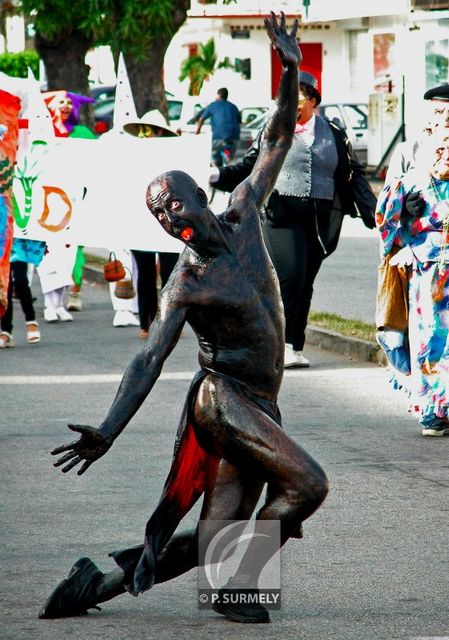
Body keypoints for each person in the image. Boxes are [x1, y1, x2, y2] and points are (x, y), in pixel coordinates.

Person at [38, 13, 328, 625]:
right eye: (158, 216)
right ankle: (240, 582)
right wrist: (109, 430)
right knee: (306, 484)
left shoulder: (246, 210)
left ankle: (95, 585)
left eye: (172, 203)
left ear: (199, 194)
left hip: (258, 401)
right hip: (223, 401)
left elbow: (276, 139)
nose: (168, 217)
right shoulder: (187, 283)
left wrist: (291, 69)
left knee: (208, 540)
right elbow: (149, 358)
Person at [211, 71, 376, 368]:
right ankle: (280, 345)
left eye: (297, 100)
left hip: (319, 217)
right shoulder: (274, 130)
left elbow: (353, 174)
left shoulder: (334, 133)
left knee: (306, 282)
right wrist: (218, 175)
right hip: (280, 214)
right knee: (291, 276)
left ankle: (294, 344)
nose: (290, 106)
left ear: (312, 101)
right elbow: (250, 166)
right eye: (284, 100)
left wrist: (374, 210)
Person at [376, 129, 449, 436]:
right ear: (427, 153)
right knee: (430, 339)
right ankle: (433, 411)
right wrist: (403, 218)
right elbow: (384, 219)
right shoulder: (410, 182)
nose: (448, 156)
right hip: (425, 272)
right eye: (440, 150)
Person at [376, 84, 449, 372]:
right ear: (428, 115)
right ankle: (427, 396)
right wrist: (404, 209)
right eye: (439, 111)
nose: (446, 118)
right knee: (422, 326)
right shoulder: (409, 150)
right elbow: (387, 203)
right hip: (416, 254)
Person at [123, 110, 181, 337]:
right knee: (145, 272)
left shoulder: (173, 157)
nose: (147, 135)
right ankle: (146, 323)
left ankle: (170, 321)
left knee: (170, 272)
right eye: (143, 131)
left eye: (151, 131)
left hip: (168, 220)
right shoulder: (131, 157)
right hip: (140, 221)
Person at [40, 90, 96, 319]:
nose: (64, 106)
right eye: (59, 102)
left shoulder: (82, 133)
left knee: (71, 250)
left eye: (68, 103)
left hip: (75, 200)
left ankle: (65, 298)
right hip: (47, 200)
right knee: (48, 251)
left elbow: (100, 158)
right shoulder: (42, 133)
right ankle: (48, 304)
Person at [0, 238, 44, 347]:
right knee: (5, 286)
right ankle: (6, 332)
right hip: (2, 239)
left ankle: (31, 322)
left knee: (21, 281)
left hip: (18, 240)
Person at [195, 87, 241, 167]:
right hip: (233, 137)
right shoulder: (234, 107)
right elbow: (239, 122)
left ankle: (216, 167)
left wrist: (197, 133)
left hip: (218, 136)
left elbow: (201, 119)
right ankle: (227, 159)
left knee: (215, 158)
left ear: (218, 95)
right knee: (227, 156)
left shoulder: (213, 105)